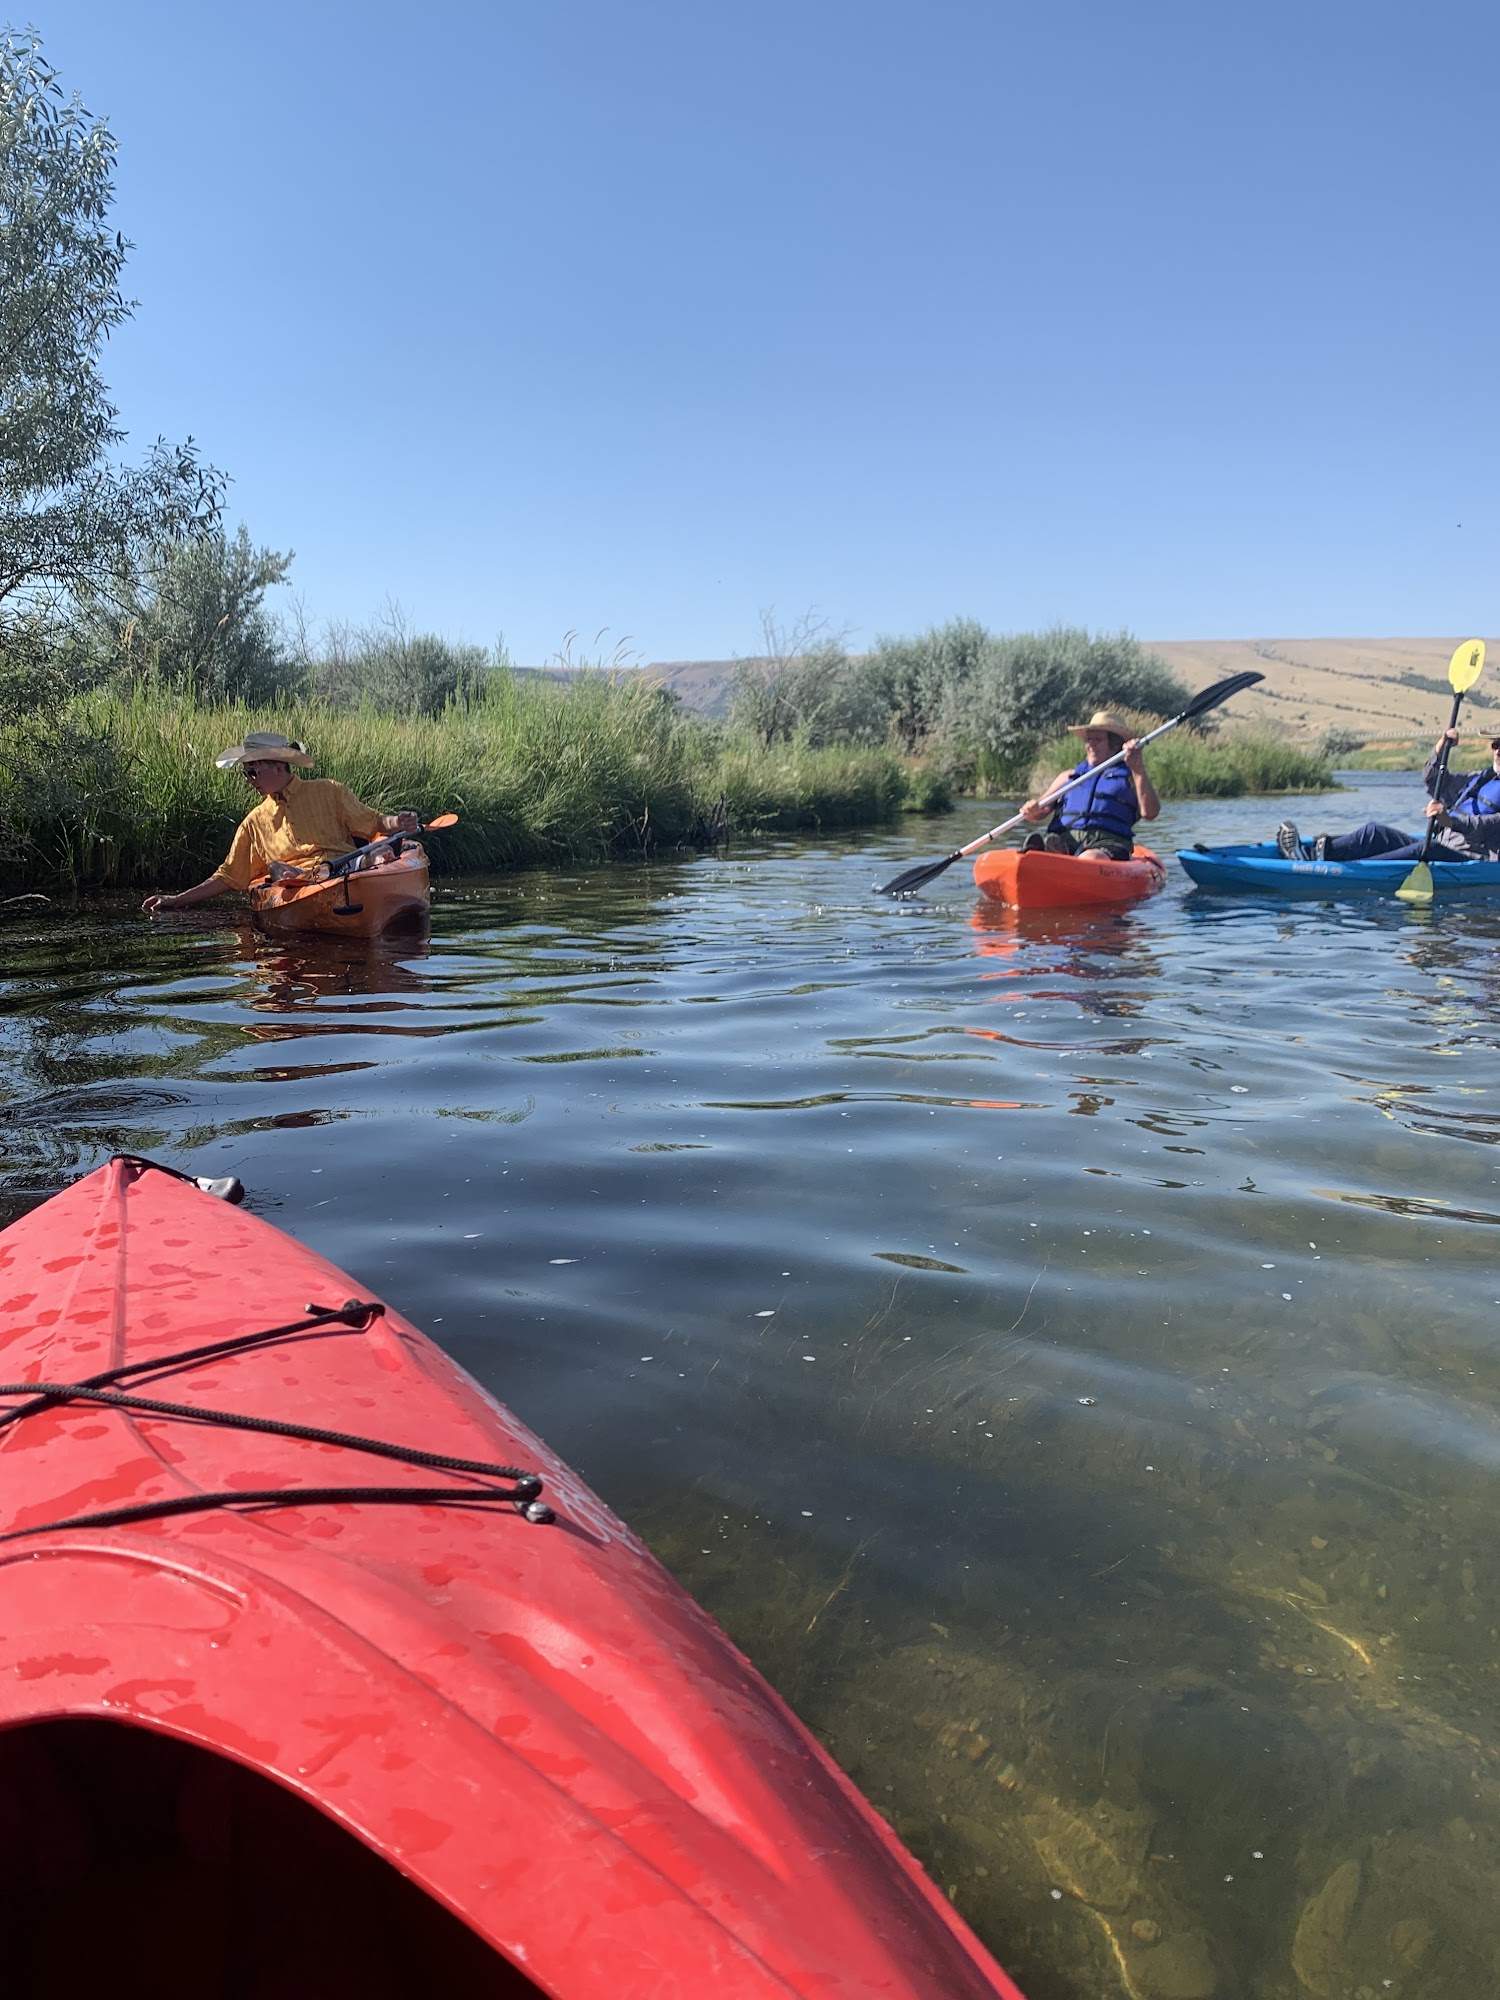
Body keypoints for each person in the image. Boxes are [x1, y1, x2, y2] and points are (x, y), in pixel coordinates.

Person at [142, 733, 420, 915]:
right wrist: (177, 900)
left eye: (253, 773)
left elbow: (373, 822)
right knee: (276, 867)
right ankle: (296, 877)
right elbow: (228, 876)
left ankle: (371, 876)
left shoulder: (329, 791)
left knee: (379, 853)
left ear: (278, 767)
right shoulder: (253, 822)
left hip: (345, 867)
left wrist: (398, 821)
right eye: (245, 775)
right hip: (297, 883)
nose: (249, 781)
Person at [1276, 728, 1500, 863]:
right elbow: (1433, 781)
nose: (1498, 751)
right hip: (1441, 843)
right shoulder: (1479, 778)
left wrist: (1450, 821)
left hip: (1472, 859)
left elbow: (1487, 827)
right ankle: (1314, 854)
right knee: (1374, 832)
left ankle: (1351, 869)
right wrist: (1440, 750)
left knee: (1427, 849)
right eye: (1496, 744)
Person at [1019, 708, 1161, 861]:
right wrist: (1031, 809)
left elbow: (1150, 813)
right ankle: (1056, 854)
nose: (1090, 745)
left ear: (1114, 745)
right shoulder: (1068, 777)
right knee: (1036, 849)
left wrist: (1138, 769)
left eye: (1098, 740)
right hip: (1068, 838)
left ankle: (1066, 860)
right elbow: (1040, 811)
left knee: (1090, 857)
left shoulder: (1132, 776)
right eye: (1088, 739)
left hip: (1108, 842)